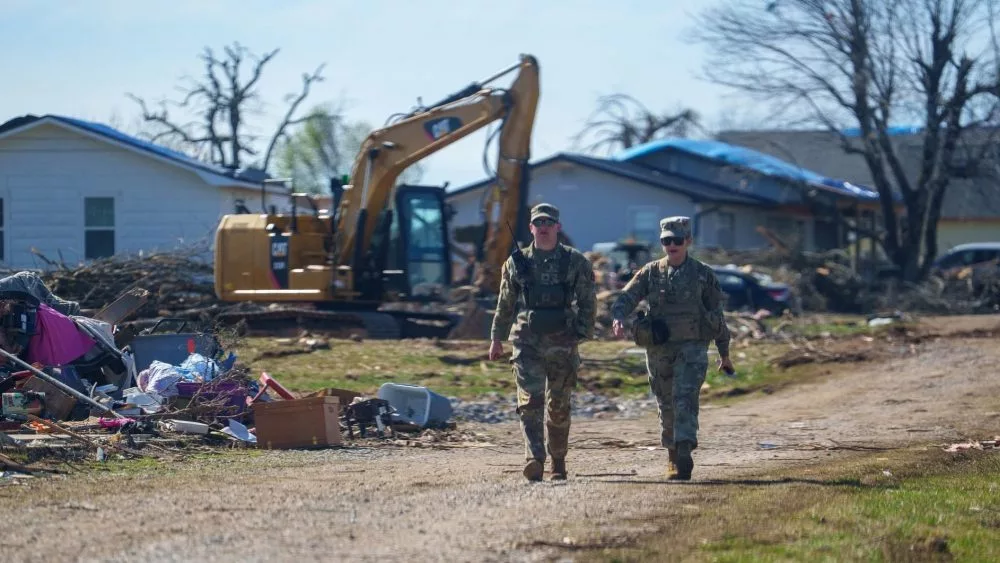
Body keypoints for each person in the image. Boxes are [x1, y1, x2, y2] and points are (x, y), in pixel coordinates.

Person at [610, 216, 734, 481]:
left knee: (685, 398)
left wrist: (724, 354)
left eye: (677, 240)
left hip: (692, 347)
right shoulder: (651, 272)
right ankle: (672, 454)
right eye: (667, 241)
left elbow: (717, 316)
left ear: (688, 241)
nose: (672, 245)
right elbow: (628, 297)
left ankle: (685, 448)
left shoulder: (703, 274)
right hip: (659, 349)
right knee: (666, 402)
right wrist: (618, 316)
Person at [488, 203, 597, 482]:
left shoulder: (575, 262)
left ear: (558, 227)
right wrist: (496, 338)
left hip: (563, 341)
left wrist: (582, 333)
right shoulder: (516, 263)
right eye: (539, 222)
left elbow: (587, 301)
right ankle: (534, 458)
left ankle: (558, 460)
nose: (544, 227)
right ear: (531, 228)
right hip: (526, 341)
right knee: (530, 401)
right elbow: (505, 303)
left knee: (558, 403)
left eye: (549, 222)